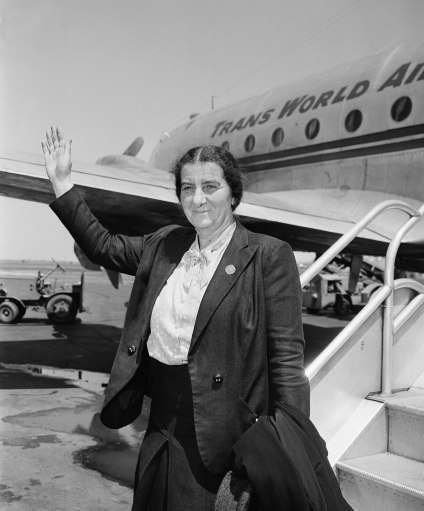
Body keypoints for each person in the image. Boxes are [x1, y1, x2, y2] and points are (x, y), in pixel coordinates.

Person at [41, 126, 310, 510]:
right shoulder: (165, 245)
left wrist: (291, 447)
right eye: (187, 188)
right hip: (162, 422)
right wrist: (63, 184)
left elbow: (286, 362)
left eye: (210, 187)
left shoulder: (267, 255)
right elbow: (103, 245)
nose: (198, 199)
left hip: (223, 435)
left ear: (234, 194)